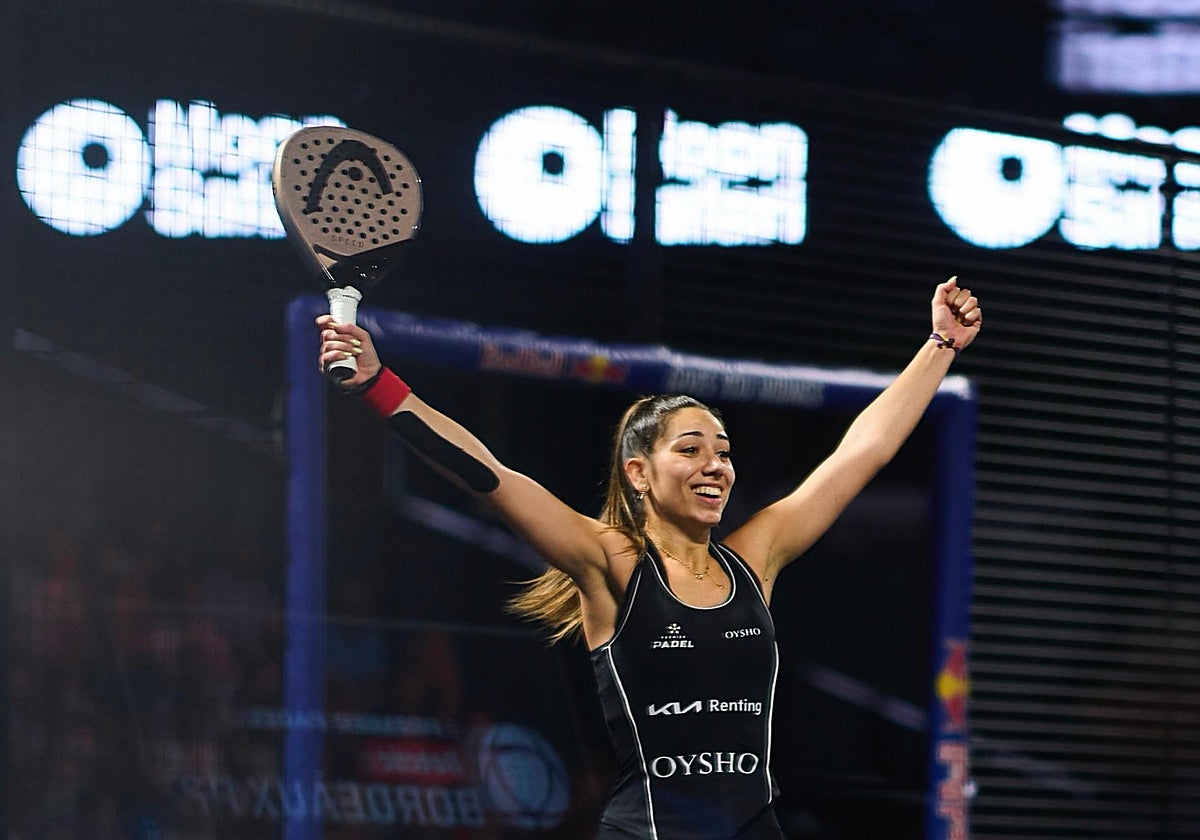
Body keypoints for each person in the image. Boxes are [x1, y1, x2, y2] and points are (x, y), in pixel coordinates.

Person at [316, 276, 982, 839]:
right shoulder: (609, 563)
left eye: (723, 452)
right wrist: (378, 385)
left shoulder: (757, 556)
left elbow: (863, 451)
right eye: (690, 450)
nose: (715, 465)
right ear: (639, 472)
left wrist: (940, 345)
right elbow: (488, 474)